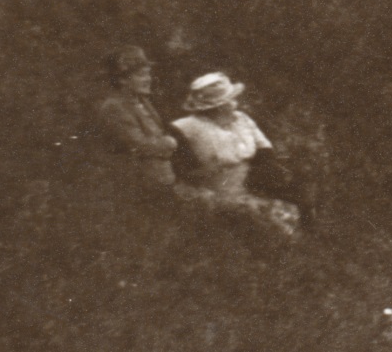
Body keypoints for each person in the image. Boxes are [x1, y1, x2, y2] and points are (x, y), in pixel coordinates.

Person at [169, 70, 301, 234]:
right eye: (229, 100)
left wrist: (266, 178)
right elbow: (181, 171)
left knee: (293, 211)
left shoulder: (241, 119)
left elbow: (265, 152)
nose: (235, 104)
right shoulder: (185, 128)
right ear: (214, 107)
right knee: (263, 226)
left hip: (253, 187)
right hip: (215, 194)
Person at [93, 46, 177, 187]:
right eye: (142, 75)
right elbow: (139, 146)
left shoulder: (142, 101)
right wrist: (168, 143)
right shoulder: (114, 107)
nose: (148, 79)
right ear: (122, 80)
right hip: (136, 186)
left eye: (148, 74)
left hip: (159, 182)